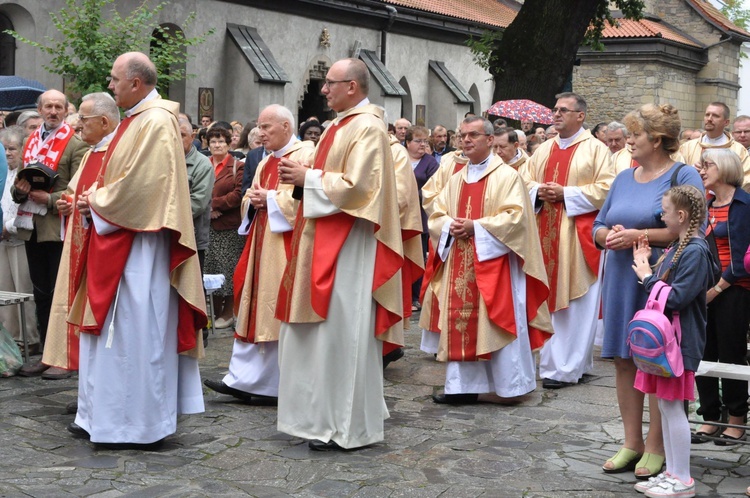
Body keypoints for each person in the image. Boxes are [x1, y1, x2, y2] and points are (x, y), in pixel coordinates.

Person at [67, 52, 206, 447]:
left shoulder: (157, 121)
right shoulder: (136, 120)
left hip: (141, 247)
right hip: (119, 238)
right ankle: (101, 417)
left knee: (135, 330)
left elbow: (145, 186)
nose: (110, 85)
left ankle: (136, 424)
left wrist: (97, 201)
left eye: (114, 79)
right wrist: (96, 198)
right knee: (114, 333)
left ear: (136, 82)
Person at [275, 58, 404, 450]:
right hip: (322, 236)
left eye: (330, 83)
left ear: (352, 86)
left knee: (342, 333)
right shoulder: (338, 125)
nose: (323, 90)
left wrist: (307, 178)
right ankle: (318, 418)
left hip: (348, 244)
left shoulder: (367, 127)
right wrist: (302, 179)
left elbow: (360, 187)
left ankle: (343, 426)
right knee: (319, 337)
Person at [593, 103, 704, 479]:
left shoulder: (683, 174)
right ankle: (631, 441)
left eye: (635, 135)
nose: (628, 141)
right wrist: (608, 236)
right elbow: (598, 225)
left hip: (660, 277)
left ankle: (657, 445)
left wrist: (638, 236)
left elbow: (691, 228)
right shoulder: (625, 176)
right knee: (625, 358)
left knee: (657, 360)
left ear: (656, 140)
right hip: (622, 276)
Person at [428, 116, 553, 404]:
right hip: (460, 258)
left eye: (473, 135)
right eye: (462, 136)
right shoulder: (455, 179)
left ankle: (508, 387)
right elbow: (437, 214)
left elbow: (517, 218)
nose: (466, 140)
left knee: (496, 320)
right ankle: (461, 387)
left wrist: (476, 227)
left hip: (497, 264)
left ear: (489, 140)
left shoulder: (507, 176)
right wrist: (449, 226)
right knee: (461, 318)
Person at [204, 104, 312, 403]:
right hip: (261, 243)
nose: (259, 133)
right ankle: (245, 378)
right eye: (259, 127)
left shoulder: (305, 156)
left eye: (266, 127)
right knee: (253, 307)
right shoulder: (265, 163)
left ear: (286, 127)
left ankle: (272, 384)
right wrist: (252, 201)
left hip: (287, 248)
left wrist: (272, 199)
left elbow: (309, 201)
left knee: (276, 309)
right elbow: (249, 198)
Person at [519, 92, 613, 390]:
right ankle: (565, 363)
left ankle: (566, 367)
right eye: (554, 110)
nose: (556, 114)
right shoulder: (543, 149)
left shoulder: (596, 150)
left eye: (563, 110)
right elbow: (523, 179)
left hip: (577, 236)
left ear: (580, 116)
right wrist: (538, 191)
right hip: (544, 231)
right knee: (549, 299)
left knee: (577, 304)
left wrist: (567, 194)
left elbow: (608, 187)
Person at [631, 185, 711, 498]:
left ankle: (683, 478)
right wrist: (647, 265)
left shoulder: (694, 250)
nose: (661, 216)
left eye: (665, 211)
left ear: (681, 215)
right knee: (666, 407)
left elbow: (676, 298)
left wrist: (644, 275)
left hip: (679, 343)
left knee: (674, 408)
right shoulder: (680, 246)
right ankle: (672, 472)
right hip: (670, 342)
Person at [42, 93, 119, 381]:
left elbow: (116, 200)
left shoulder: (118, 154)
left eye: (83, 120)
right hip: (80, 244)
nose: (78, 126)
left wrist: (89, 205)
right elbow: (74, 194)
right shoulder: (90, 153)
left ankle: (98, 382)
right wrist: (66, 204)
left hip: (103, 248)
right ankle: (85, 380)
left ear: (103, 121)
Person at [11, 89, 87, 375]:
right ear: (39, 109)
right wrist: (20, 193)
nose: (53, 111)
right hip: (32, 228)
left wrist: (51, 200)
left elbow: (80, 187)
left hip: (59, 228)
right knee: (41, 292)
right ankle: (45, 352)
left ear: (66, 110)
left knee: (61, 293)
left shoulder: (75, 144)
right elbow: (17, 182)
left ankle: (65, 356)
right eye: (48, 107)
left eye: (58, 107)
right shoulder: (30, 140)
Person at [693, 148, 750, 445]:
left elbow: (743, 260)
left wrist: (716, 291)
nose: (702, 170)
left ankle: (737, 418)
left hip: (733, 290)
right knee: (702, 351)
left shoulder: (745, 205)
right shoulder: (704, 205)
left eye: (707, 165)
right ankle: (711, 417)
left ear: (725, 168)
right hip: (702, 290)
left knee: (731, 353)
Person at [0, 126, 38, 350]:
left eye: (12, 148)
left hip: (20, 237)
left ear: (23, 149)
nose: (7, 153)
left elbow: (28, 211)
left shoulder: (26, 173)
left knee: (23, 292)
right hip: (4, 239)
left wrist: (6, 226)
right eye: (4, 148)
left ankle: (29, 339)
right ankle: (11, 338)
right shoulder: (6, 172)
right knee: (5, 292)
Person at [204, 125, 245, 329]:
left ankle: (229, 312)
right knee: (211, 269)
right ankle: (216, 311)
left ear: (229, 144)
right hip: (207, 226)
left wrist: (214, 204)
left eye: (221, 141)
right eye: (213, 141)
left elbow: (238, 194)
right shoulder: (205, 164)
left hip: (228, 228)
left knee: (228, 271)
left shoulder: (238, 165)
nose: (217, 145)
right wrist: (206, 208)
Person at [405, 125, 439, 311]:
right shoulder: (400, 158)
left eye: (425, 141)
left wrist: (411, 192)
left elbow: (433, 187)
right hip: (401, 215)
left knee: (417, 256)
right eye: (418, 141)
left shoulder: (430, 162)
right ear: (408, 142)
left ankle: (415, 297)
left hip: (420, 217)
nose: (422, 145)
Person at [679, 102, 750, 188]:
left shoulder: (739, 150)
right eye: (707, 115)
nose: (709, 119)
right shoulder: (687, 147)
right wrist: (690, 171)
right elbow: (675, 174)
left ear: (726, 122)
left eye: (715, 116)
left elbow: (746, 180)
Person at [178, 117, 213, 270]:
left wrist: (167, 217)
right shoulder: (163, 160)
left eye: (182, 135)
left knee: (191, 289)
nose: (176, 139)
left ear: (192, 137)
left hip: (191, 237)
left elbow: (198, 203)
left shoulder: (202, 164)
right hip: (163, 236)